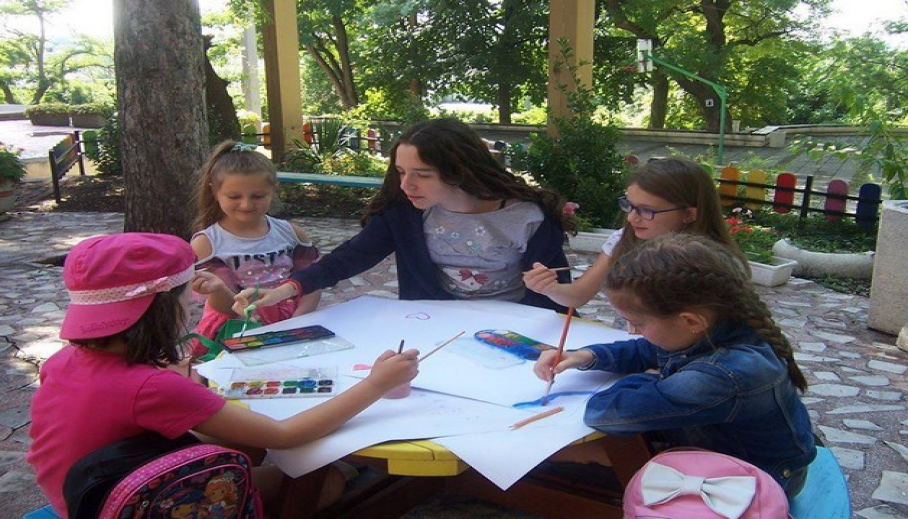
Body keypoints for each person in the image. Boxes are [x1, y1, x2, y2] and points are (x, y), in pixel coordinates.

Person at [27, 233, 419, 517]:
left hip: (76, 492)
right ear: (164, 309)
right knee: (325, 480)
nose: (191, 307)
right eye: (187, 299)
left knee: (242, 442)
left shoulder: (63, 361)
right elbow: (286, 434)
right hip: (125, 504)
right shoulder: (153, 385)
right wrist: (376, 384)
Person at [533, 233, 815, 496]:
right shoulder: (720, 325)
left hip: (757, 480)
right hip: (730, 449)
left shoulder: (722, 375)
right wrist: (584, 356)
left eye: (638, 323)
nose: (633, 330)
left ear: (690, 321)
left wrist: (651, 377)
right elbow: (646, 349)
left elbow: (604, 413)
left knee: (561, 463)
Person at [234, 118, 576, 314]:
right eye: (400, 171)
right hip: (430, 325)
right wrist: (286, 289)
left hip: (512, 328)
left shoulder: (528, 217)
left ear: (458, 171)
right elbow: (349, 258)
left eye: (422, 174)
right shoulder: (404, 212)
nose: (406, 184)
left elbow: (555, 295)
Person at [523, 157, 747, 309]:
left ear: (689, 214)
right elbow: (578, 295)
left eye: (647, 210)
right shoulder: (623, 240)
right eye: (629, 205)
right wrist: (550, 288)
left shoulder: (715, 263)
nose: (631, 218)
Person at [190, 140, 321, 358]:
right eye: (234, 196)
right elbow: (224, 305)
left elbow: (312, 283)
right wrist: (257, 327)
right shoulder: (207, 244)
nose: (246, 204)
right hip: (234, 329)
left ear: (273, 190)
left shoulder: (292, 234)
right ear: (214, 191)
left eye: (258, 196)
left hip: (291, 323)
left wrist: (296, 322)